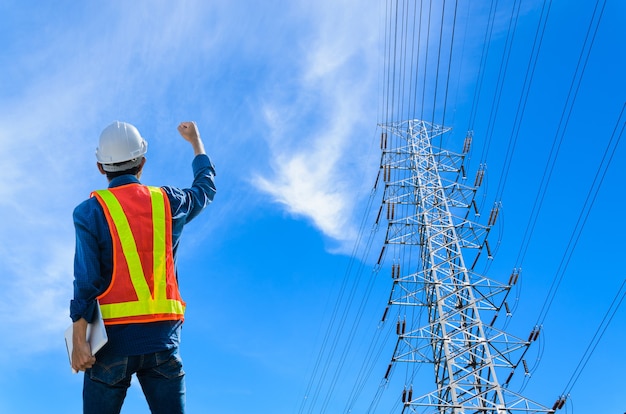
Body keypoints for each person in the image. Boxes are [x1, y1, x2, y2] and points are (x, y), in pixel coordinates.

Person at [70, 121, 216, 414]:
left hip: (110, 345)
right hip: (163, 341)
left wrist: (78, 340)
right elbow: (205, 188)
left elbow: (86, 281)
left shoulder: (89, 212)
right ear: (142, 162)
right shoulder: (169, 202)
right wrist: (196, 142)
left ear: (101, 167)